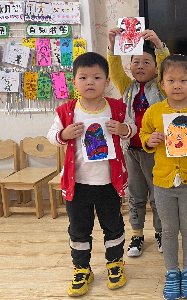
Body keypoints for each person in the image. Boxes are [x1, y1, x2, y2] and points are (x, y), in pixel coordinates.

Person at [47, 52, 136, 297]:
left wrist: (123, 129)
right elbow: (51, 135)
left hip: (109, 183)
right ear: (74, 82)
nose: (90, 82)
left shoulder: (117, 108)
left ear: (106, 81)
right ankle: (81, 269)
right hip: (78, 184)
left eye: (96, 77)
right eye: (83, 77)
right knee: (79, 229)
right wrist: (64, 135)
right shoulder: (67, 111)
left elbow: (132, 129)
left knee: (113, 225)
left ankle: (115, 263)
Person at [139, 55, 187, 300]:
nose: (177, 86)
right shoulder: (154, 112)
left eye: (183, 80)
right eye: (171, 80)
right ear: (162, 84)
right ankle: (172, 272)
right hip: (163, 182)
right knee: (169, 229)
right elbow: (144, 135)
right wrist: (150, 140)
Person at [107, 27, 170, 257]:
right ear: (130, 66)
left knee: (158, 195)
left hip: (155, 150)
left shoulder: (162, 87)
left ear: (156, 69)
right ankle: (137, 235)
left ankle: (161, 233)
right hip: (131, 149)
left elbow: (167, 67)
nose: (140, 66)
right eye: (136, 62)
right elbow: (114, 70)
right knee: (135, 195)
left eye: (146, 62)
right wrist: (112, 45)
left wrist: (159, 45)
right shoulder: (127, 87)